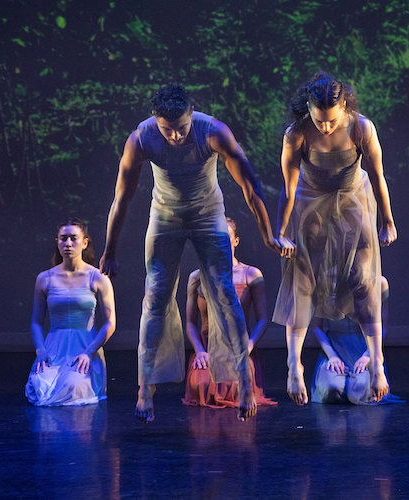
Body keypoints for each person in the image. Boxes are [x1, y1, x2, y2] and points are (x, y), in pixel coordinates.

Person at [100, 84, 278, 422]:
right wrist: (109, 249)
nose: (177, 136)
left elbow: (250, 186)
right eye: (168, 130)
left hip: (208, 214)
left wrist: (268, 232)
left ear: (191, 113)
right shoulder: (142, 138)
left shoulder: (213, 131)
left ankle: (242, 381)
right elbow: (121, 198)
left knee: (224, 293)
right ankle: (145, 389)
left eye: (182, 127)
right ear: (156, 120)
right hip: (165, 216)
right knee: (155, 296)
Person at [272, 72, 397, 406]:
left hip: (354, 202)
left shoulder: (360, 128)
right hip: (312, 204)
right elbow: (287, 188)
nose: (325, 128)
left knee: (363, 280)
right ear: (308, 111)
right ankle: (293, 366)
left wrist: (388, 221)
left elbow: (378, 176)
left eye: (330, 121)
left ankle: (378, 364)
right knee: (303, 282)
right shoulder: (297, 133)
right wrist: (281, 232)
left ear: (344, 106)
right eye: (318, 121)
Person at [182, 217, 276, 408]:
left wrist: (248, 346)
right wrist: (200, 351)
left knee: (236, 386)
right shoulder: (197, 277)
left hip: (238, 348)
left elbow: (263, 319)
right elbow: (191, 323)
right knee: (204, 385)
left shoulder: (251, 274)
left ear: (235, 240)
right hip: (208, 349)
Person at [25, 218, 116, 406]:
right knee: (41, 387)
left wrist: (89, 352)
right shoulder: (45, 278)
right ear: (57, 242)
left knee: (74, 387)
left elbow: (110, 322)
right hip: (53, 349)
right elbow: (36, 322)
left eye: (73, 238)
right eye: (63, 238)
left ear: (84, 243)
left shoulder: (98, 278)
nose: (68, 243)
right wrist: (41, 351)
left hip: (85, 348)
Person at [311, 276, 401, 404]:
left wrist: (369, 355)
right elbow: (317, 327)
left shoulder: (379, 282)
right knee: (332, 389)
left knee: (360, 389)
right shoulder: (323, 283)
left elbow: (383, 327)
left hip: (364, 348)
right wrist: (332, 356)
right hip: (336, 347)